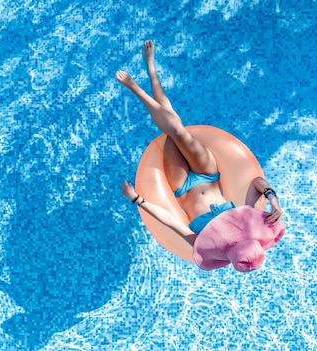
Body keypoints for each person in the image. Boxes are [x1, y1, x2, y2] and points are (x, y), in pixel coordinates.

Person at [118, 40, 283, 252]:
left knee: (172, 129)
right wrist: (274, 201)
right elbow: (257, 182)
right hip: (208, 174)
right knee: (176, 130)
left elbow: (171, 221)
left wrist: (137, 199)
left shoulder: (205, 245)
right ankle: (137, 88)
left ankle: (152, 72)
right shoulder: (246, 223)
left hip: (182, 186)